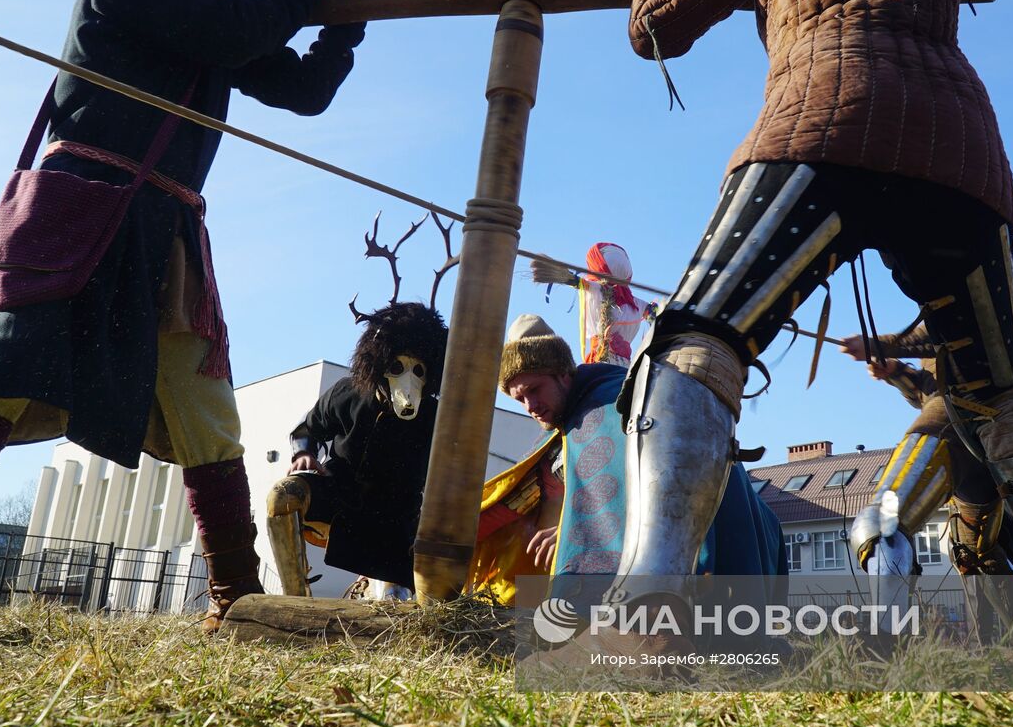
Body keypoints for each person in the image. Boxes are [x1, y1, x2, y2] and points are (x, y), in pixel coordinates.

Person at [613, 0, 1013, 650]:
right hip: (961, 152)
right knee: (1008, 394)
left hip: (824, 121)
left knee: (694, 339)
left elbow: (657, 29)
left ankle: (646, 608)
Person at [0, 0, 364, 635]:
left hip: (167, 230)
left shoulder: (227, 27)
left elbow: (302, 92)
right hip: (75, 204)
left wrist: (341, 32)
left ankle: (237, 602)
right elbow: (232, 30)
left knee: (206, 410)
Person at [468, 315, 784, 606]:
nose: (530, 406)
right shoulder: (565, 429)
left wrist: (569, 533)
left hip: (706, 537)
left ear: (563, 374)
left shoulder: (610, 406)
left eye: (534, 390)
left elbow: (641, 487)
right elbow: (515, 503)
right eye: (520, 399)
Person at [838, 328, 1013, 646]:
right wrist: (897, 372)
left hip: (998, 425)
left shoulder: (951, 312)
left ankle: (884, 639)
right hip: (952, 425)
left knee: (882, 522)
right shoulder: (925, 334)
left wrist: (880, 344)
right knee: (974, 552)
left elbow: (959, 327)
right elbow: (930, 389)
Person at [266, 302, 448, 596]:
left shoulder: (436, 417)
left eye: (419, 370)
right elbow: (308, 428)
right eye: (397, 367)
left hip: (395, 519)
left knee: (391, 605)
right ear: (379, 362)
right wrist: (304, 453)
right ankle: (295, 596)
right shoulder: (348, 392)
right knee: (282, 496)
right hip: (339, 492)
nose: (409, 380)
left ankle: (382, 585)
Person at [531, 243, 655, 367]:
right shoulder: (636, 304)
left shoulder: (595, 288)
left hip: (600, 360)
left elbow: (575, 281)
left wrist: (564, 275)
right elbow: (654, 313)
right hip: (626, 367)